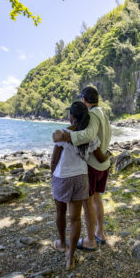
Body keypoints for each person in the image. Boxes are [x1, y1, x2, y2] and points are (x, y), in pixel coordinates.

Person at [51, 101, 109, 269]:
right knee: (75, 218)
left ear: (72, 117)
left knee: (60, 213)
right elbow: (99, 157)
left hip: (62, 177)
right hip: (81, 178)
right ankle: (70, 257)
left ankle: (62, 244)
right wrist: (108, 157)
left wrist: (52, 176)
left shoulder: (63, 134)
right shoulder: (90, 137)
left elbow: (55, 159)